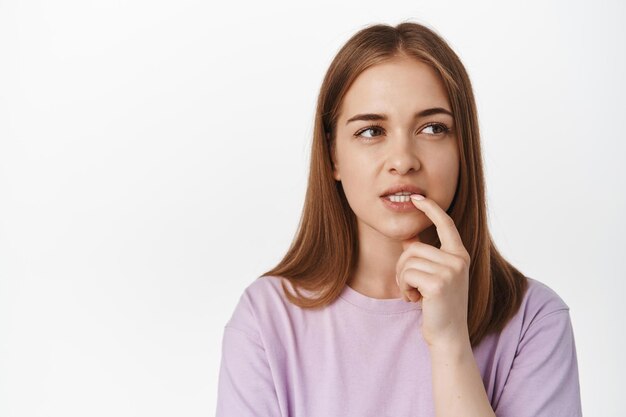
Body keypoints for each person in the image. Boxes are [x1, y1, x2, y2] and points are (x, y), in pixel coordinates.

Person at [215, 21, 582, 417]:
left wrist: (450, 343)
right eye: (372, 131)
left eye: (432, 128)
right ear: (333, 156)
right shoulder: (266, 319)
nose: (404, 160)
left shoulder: (533, 320)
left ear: (463, 149)